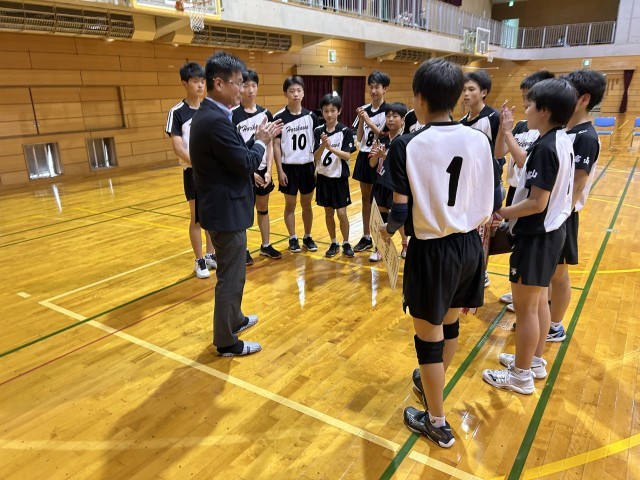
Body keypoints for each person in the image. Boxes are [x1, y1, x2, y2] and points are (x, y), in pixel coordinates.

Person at [382, 59, 495, 448]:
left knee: (427, 338)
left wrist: (384, 233)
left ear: (418, 98)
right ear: (456, 97)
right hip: (470, 247)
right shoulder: (478, 139)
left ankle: (436, 422)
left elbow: (398, 213)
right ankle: (434, 385)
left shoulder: (407, 144)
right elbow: (492, 200)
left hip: (431, 251)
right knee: (449, 325)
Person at [482, 78, 577, 393]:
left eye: (531, 104)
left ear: (545, 110)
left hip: (537, 237)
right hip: (551, 234)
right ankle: (533, 361)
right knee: (537, 304)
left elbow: (537, 203)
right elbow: (527, 164)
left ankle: (520, 376)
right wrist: (509, 133)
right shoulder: (558, 139)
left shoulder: (547, 147)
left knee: (526, 311)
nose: (526, 109)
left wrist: (500, 213)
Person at [190, 51, 283, 357]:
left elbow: (230, 159)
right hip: (224, 212)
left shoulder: (213, 115)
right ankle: (226, 341)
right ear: (219, 83)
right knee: (230, 278)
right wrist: (261, 140)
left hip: (222, 207)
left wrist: (251, 151)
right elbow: (244, 161)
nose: (242, 89)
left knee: (235, 274)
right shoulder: (214, 120)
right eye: (238, 83)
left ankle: (236, 319)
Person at [545, 69, 605, 342]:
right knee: (548, 272)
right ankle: (544, 318)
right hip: (551, 213)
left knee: (559, 274)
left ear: (583, 99)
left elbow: (577, 185)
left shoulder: (586, 137)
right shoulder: (564, 130)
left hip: (563, 216)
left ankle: (554, 325)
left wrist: (556, 219)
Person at [495, 70, 555, 313]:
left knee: (532, 255)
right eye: (523, 98)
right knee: (516, 246)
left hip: (533, 195)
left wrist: (509, 134)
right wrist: (503, 129)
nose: (525, 103)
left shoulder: (546, 133)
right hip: (515, 191)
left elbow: (523, 162)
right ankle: (520, 289)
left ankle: (532, 298)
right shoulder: (522, 126)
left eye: (529, 98)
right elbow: (499, 153)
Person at [165, 62, 216, 279]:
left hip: (212, 173)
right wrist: (200, 165)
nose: (200, 85)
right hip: (194, 173)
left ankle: (211, 254)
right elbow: (178, 148)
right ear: (184, 83)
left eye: (203, 81)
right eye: (195, 81)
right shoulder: (177, 112)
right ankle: (199, 259)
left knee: (212, 216)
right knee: (196, 218)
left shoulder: (210, 109)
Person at [232, 69, 283, 265]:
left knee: (263, 208)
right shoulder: (233, 115)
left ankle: (266, 245)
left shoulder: (265, 113)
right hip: (244, 170)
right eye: (246, 85)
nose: (250, 90)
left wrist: (269, 170)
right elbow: (235, 148)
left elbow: (269, 144)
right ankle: (243, 250)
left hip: (262, 170)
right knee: (244, 211)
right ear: (240, 88)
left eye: (253, 85)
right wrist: (250, 172)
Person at [460, 70, 503, 287]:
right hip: (467, 185)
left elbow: (500, 153)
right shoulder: (461, 122)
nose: (466, 94)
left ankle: (482, 272)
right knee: (469, 231)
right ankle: (471, 269)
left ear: (484, 92)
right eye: (464, 90)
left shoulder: (494, 118)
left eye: (471, 89)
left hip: (488, 186)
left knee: (484, 232)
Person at [273, 76, 319, 253]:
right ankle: (293, 238)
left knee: (307, 204)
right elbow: (276, 145)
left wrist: (317, 167)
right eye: (291, 91)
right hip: (289, 168)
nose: (296, 94)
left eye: (299, 90)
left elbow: (316, 145)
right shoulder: (279, 118)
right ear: (285, 93)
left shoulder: (311, 117)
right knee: (290, 205)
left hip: (307, 166)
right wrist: (279, 170)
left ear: (303, 93)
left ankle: (307, 236)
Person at [313, 94, 356, 258]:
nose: (329, 114)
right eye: (326, 111)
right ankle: (333, 242)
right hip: (324, 179)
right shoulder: (318, 131)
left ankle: (346, 242)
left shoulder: (345, 131)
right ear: (322, 112)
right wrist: (323, 146)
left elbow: (347, 155)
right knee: (328, 213)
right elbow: (315, 157)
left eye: (332, 110)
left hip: (339, 179)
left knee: (342, 213)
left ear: (339, 111)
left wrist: (331, 148)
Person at [352, 71, 390, 253]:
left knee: (380, 202)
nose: (373, 91)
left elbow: (383, 135)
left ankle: (381, 240)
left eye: (377, 87)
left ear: (385, 89)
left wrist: (368, 120)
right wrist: (361, 121)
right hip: (364, 156)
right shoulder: (364, 109)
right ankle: (366, 236)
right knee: (365, 199)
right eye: (371, 87)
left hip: (380, 156)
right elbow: (359, 138)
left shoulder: (389, 111)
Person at [368, 102, 409, 261]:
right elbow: (372, 164)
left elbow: (406, 165)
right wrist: (377, 156)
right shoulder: (381, 139)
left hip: (397, 185)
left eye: (395, 116)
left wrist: (386, 157)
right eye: (388, 116)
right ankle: (380, 247)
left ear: (403, 119)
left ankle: (405, 244)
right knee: (381, 216)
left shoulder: (405, 140)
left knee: (399, 217)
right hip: (381, 183)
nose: (390, 119)